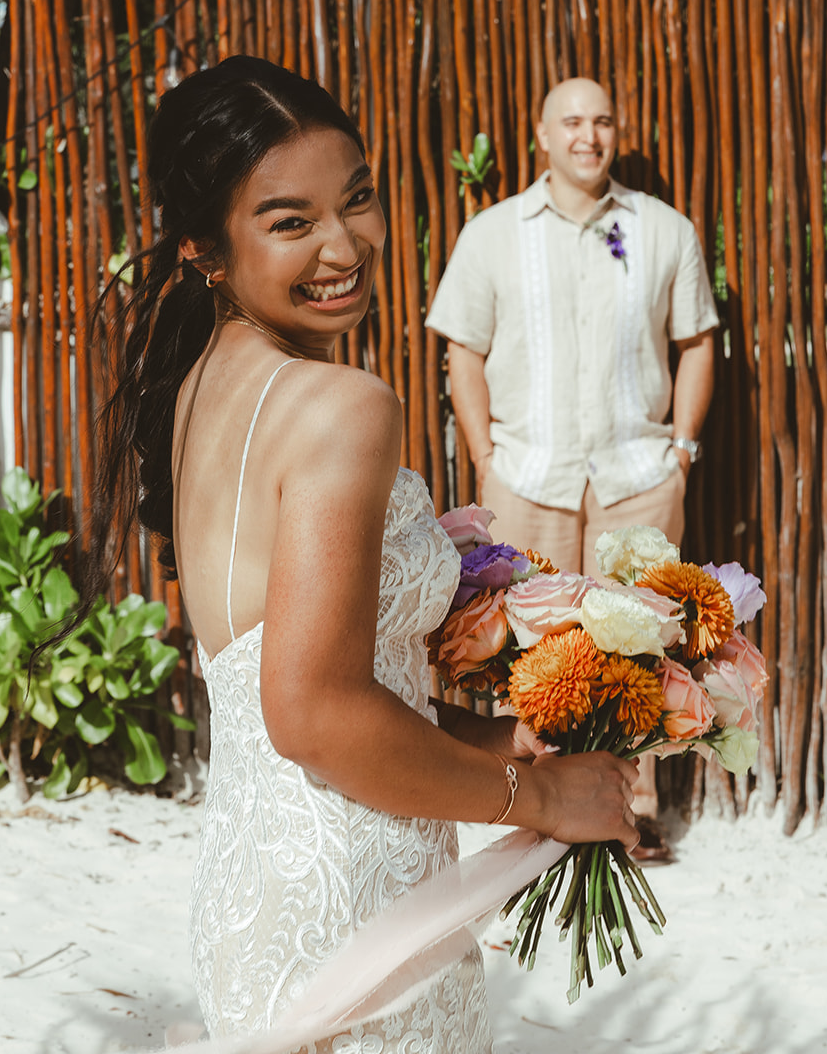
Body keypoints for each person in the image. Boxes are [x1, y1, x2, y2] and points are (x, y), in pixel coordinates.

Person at [88, 56, 637, 1053]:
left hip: (259, 889)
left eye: (356, 199)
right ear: (205, 249)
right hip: (357, 892)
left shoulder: (202, 390)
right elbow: (316, 713)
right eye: (289, 221)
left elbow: (288, 680)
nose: (344, 244)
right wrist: (543, 796)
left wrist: (495, 738)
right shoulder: (343, 406)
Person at [426, 76, 718, 862]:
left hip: (636, 477)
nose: (587, 136)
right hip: (528, 476)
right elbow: (464, 353)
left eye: (601, 122)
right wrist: (486, 457)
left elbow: (695, 342)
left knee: (641, 652)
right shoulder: (490, 234)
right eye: (572, 122)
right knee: (528, 656)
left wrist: (680, 453)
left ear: (614, 133)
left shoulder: (662, 231)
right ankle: (537, 817)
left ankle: (633, 813)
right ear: (541, 136)